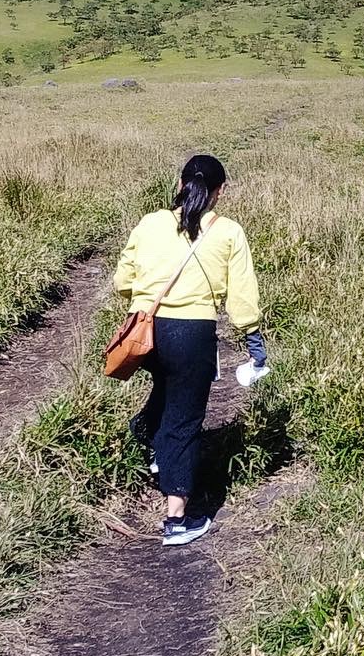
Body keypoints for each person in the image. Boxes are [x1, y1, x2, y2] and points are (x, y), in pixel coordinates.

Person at [113, 153, 267, 546]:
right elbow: (243, 296)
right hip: (192, 333)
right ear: (220, 192)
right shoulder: (229, 231)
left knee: (166, 391)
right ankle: (177, 520)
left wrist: (146, 298)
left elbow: (122, 280)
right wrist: (253, 340)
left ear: (180, 184)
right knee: (184, 420)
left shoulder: (151, 222)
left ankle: (151, 437)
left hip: (145, 331)